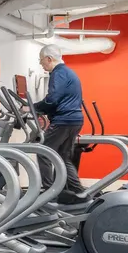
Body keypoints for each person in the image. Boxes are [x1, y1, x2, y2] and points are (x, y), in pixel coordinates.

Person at [34, 44, 87, 203]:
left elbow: (52, 100)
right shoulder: (68, 72)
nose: (41, 63)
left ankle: (50, 193)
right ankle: (79, 192)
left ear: (49, 59)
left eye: (41, 60)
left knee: (43, 152)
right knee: (63, 156)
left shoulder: (58, 73)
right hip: (74, 120)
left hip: (64, 120)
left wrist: (33, 107)